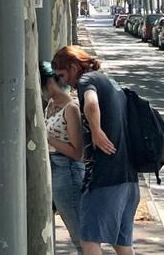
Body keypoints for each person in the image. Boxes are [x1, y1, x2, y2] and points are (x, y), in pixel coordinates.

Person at [52, 45, 139, 255]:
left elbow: (91, 104)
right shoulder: (110, 82)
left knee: (89, 240)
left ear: (73, 66)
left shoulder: (86, 81)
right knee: (123, 244)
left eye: (62, 75)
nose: (63, 81)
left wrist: (96, 130)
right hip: (129, 179)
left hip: (105, 177)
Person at [42, 62, 85, 253]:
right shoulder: (51, 104)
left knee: (80, 235)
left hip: (68, 171)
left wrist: (47, 137)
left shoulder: (71, 108)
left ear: (49, 82)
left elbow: (77, 153)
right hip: (52, 169)